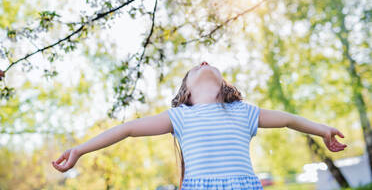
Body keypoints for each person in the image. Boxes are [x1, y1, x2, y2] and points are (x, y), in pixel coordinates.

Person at [52, 61, 347, 189]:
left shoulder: (242, 112)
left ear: (224, 85)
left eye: (209, 65)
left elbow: (288, 120)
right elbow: (126, 129)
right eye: (196, 67)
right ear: (186, 93)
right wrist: (79, 149)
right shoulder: (180, 117)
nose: (204, 63)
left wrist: (322, 129)